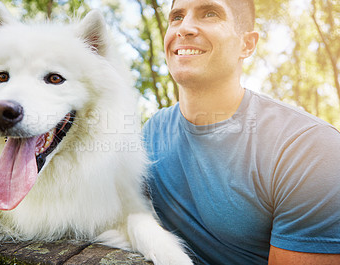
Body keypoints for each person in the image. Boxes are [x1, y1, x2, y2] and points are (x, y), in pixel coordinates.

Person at [142, 0, 340, 264]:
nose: (185, 27)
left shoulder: (310, 149)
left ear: (247, 44)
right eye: (176, 17)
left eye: (210, 13)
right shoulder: (151, 133)